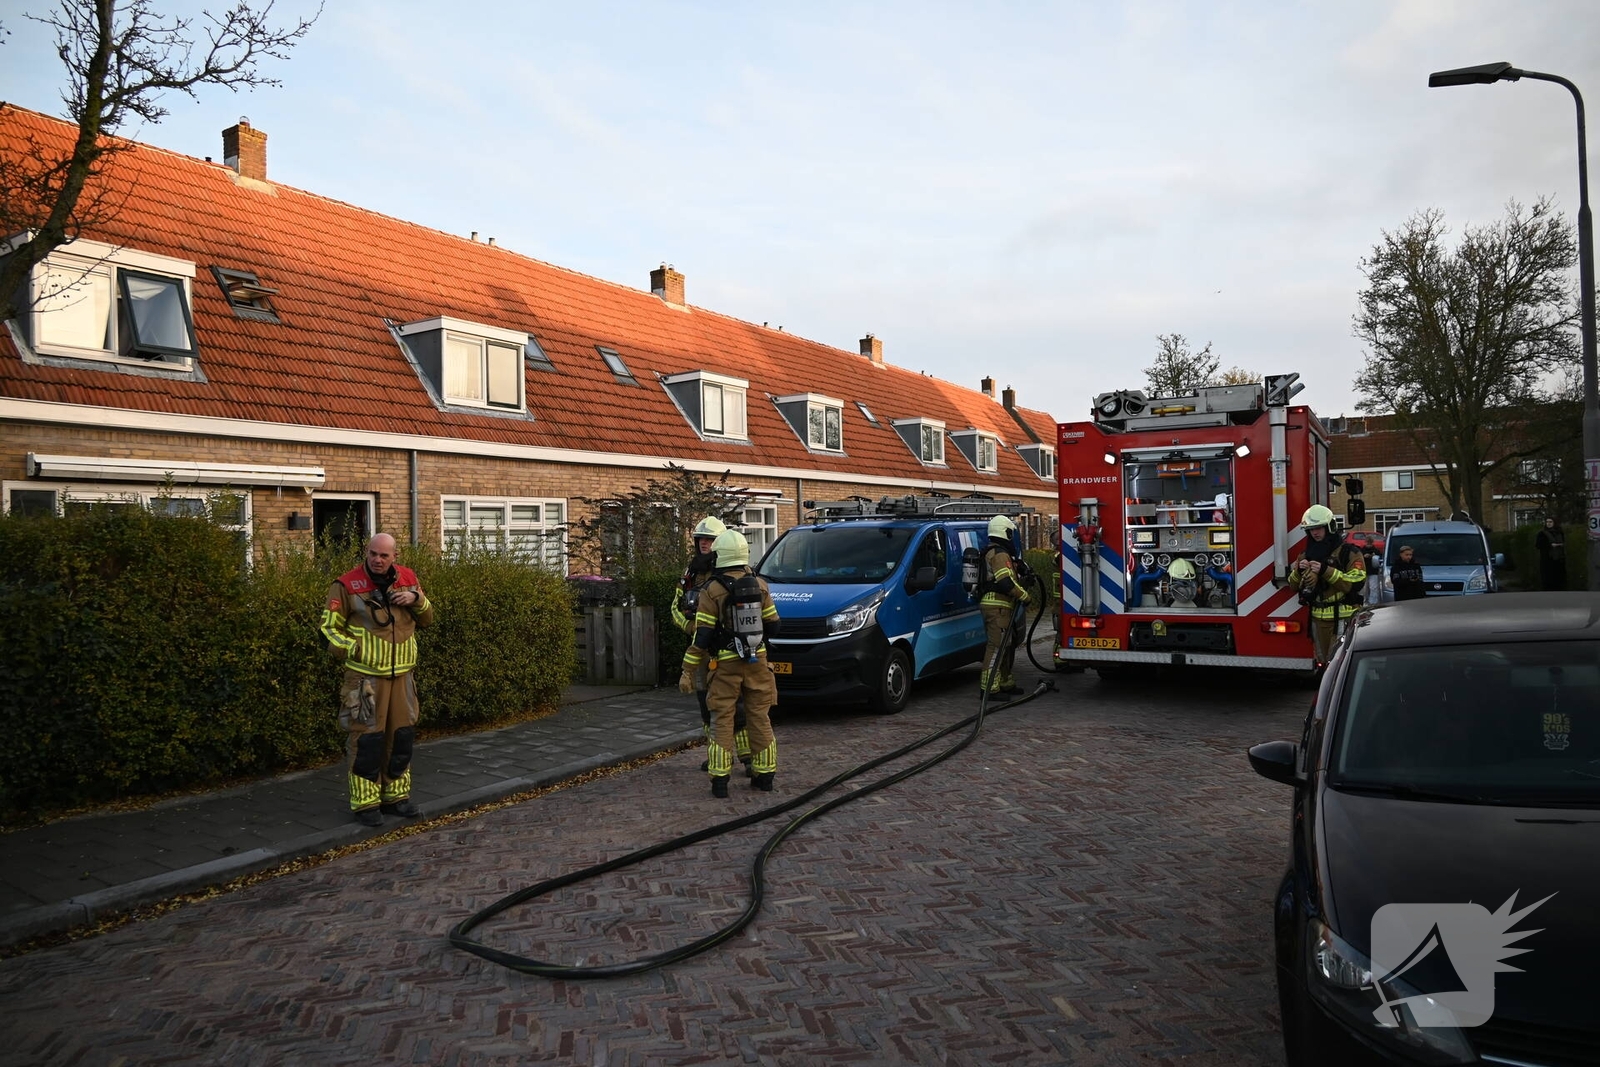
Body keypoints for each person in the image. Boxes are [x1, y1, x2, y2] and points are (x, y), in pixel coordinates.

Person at [320, 533, 435, 827]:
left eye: (384, 555)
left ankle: (396, 798)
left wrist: (417, 599)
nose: (377, 560)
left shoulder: (408, 579)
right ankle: (365, 803)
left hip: (403, 675)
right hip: (364, 679)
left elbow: (427, 618)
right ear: (366, 552)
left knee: (401, 737)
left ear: (395, 556)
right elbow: (328, 629)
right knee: (366, 740)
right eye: (373, 553)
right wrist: (355, 649)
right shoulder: (346, 584)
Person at [680, 529, 781, 797]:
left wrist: (687, 670)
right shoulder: (760, 585)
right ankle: (765, 776)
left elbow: (702, 636)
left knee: (722, 719)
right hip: (758, 663)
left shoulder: (712, 590)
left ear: (719, 556)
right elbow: (774, 625)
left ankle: (720, 780)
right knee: (759, 717)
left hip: (725, 666)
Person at [671, 516, 752, 775]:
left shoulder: (737, 570)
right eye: (700, 539)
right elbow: (675, 607)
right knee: (706, 704)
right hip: (700, 650)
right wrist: (691, 627)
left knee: (737, 704)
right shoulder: (690, 573)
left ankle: (748, 757)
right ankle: (717, 754)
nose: (704, 544)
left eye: (709, 539)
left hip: (728, 648)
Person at [1284, 505, 1366, 668]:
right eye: (1311, 529)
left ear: (1330, 527)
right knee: (1323, 664)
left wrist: (1325, 571)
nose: (1315, 533)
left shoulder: (1348, 552)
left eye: (1319, 528)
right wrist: (1298, 572)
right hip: (1317, 619)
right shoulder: (1305, 555)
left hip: (1343, 618)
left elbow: (1357, 582)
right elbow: (1293, 585)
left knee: (1342, 664)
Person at [978, 515, 1031, 696]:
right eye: (1010, 533)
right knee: (996, 647)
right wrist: (1025, 596)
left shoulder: (995, 552)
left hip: (1001, 607)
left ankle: (1006, 682)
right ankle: (989, 689)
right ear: (1005, 532)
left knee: (1006, 646)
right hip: (997, 607)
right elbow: (1005, 583)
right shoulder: (999, 554)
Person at [1535, 517, 1567, 591]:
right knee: (1548, 576)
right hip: (1547, 558)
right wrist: (1549, 545)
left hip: (1559, 558)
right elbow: (1538, 545)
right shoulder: (1542, 533)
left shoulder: (1559, 533)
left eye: (1550, 522)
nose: (1548, 524)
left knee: (1559, 575)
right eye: (1547, 522)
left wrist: (1561, 545)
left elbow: (1564, 541)